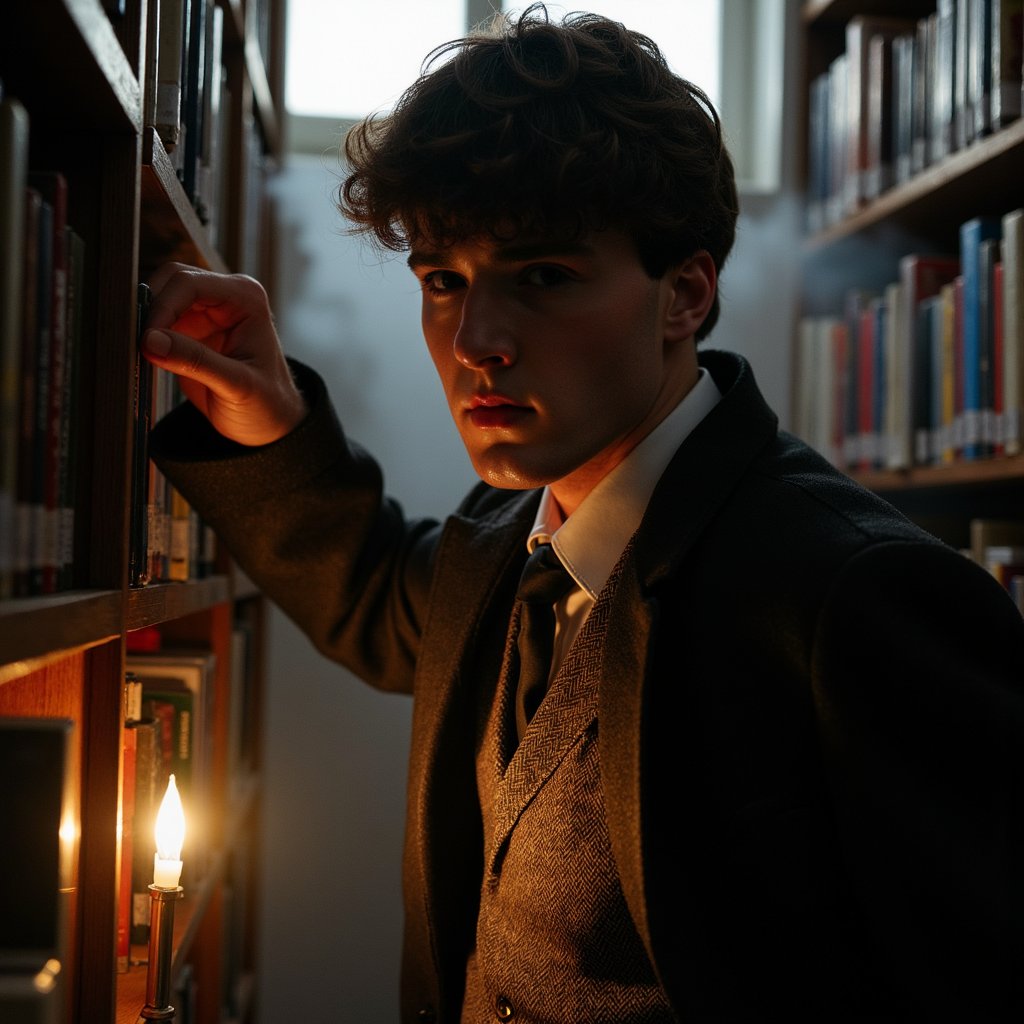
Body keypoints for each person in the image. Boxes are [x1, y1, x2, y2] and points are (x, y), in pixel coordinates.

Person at [142, 5, 1024, 1020]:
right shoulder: (507, 539)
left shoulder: (860, 596)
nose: (475, 338)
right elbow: (381, 596)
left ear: (683, 295)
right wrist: (268, 416)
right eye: (442, 279)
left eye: (543, 277)